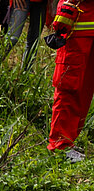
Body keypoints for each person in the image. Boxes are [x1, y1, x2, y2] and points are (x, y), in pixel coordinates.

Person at [46, 0, 94, 162]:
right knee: (69, 87)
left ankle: (68, 140)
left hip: (87, 27)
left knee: (85, 91)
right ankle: (60, 144)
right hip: (78, 28)